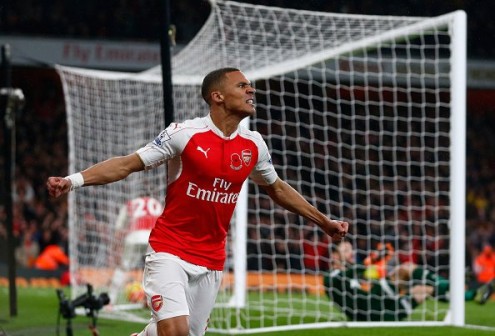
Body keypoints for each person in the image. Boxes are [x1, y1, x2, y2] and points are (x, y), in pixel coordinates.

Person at [46, 67, 349, 336]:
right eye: (241, 86)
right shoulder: (185, 134)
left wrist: (324, 223)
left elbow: (278, 189)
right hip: (170, 250)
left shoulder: (254, 145)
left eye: (250, 86)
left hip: (211, 258)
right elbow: (127, 164)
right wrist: (72, 181)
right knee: (175, 331)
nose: (251, 90)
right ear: (217, 96)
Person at [324, 241, 495, 322]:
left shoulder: (351, 271)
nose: (350, 254)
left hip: (380, 306)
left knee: (423, 289)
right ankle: (457, 283)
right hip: (370, 309)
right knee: (407, 269)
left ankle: (471, 294)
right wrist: (371, 262)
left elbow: (368, 274)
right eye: (346, 251)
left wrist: (373, 263)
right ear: (334, 256)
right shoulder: (331, 277)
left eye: (350, 250)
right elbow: (346, 279)